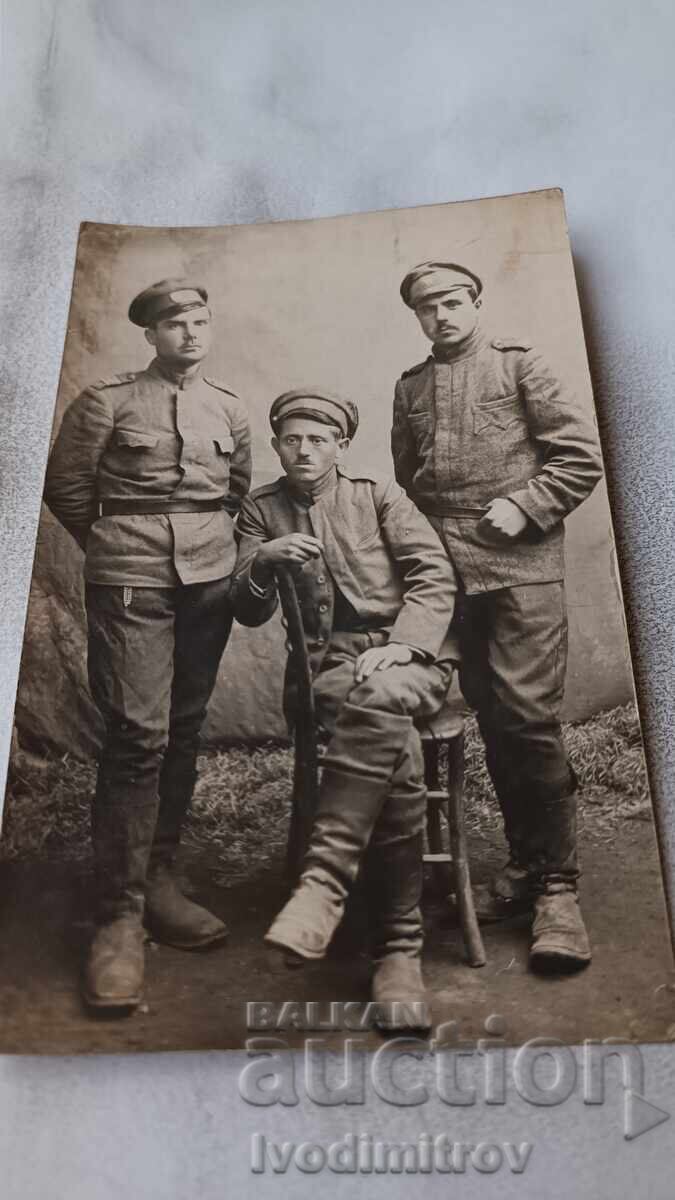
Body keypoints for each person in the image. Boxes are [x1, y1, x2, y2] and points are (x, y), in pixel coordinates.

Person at [44, 278, 251, 1011]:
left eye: (200, 320)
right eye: (175, 323)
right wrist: (119, 547)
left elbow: (234, 494)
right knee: (138, 735)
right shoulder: (107, 402)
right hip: (130, 579)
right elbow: (67, 488)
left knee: (185, 728)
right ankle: (118, 916)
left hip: (210, 582)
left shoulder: (228, 406)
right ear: (151, 335)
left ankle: (159, 878)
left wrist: (203, 550)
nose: (190, 333)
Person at [393, 261, 604, 970]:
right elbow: (409, 479)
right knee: (489, 715)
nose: (442, 315)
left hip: (521, 566)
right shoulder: (410, 386)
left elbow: (579, 457)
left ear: (476, 302)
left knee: (527, 717)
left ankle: (557, 890)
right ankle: (524, 866)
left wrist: (525, 504)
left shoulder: (520, 366)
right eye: (428, 307)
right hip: (447, 576)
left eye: (454, 301)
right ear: (417, 317)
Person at [231, 389, 458, 1021]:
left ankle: (324, 885)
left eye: (318, 440)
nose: (304, 451)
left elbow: (433, 573)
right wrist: (262, 560)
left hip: (411, 656)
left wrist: (406, 645)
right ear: (277, 446)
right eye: (292, 440)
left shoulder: (377, 494)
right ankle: (400, 948)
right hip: (327, 669)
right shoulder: (261, 509)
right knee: (395, 743)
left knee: (382, 699)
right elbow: (246, 611)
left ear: (342, 445)